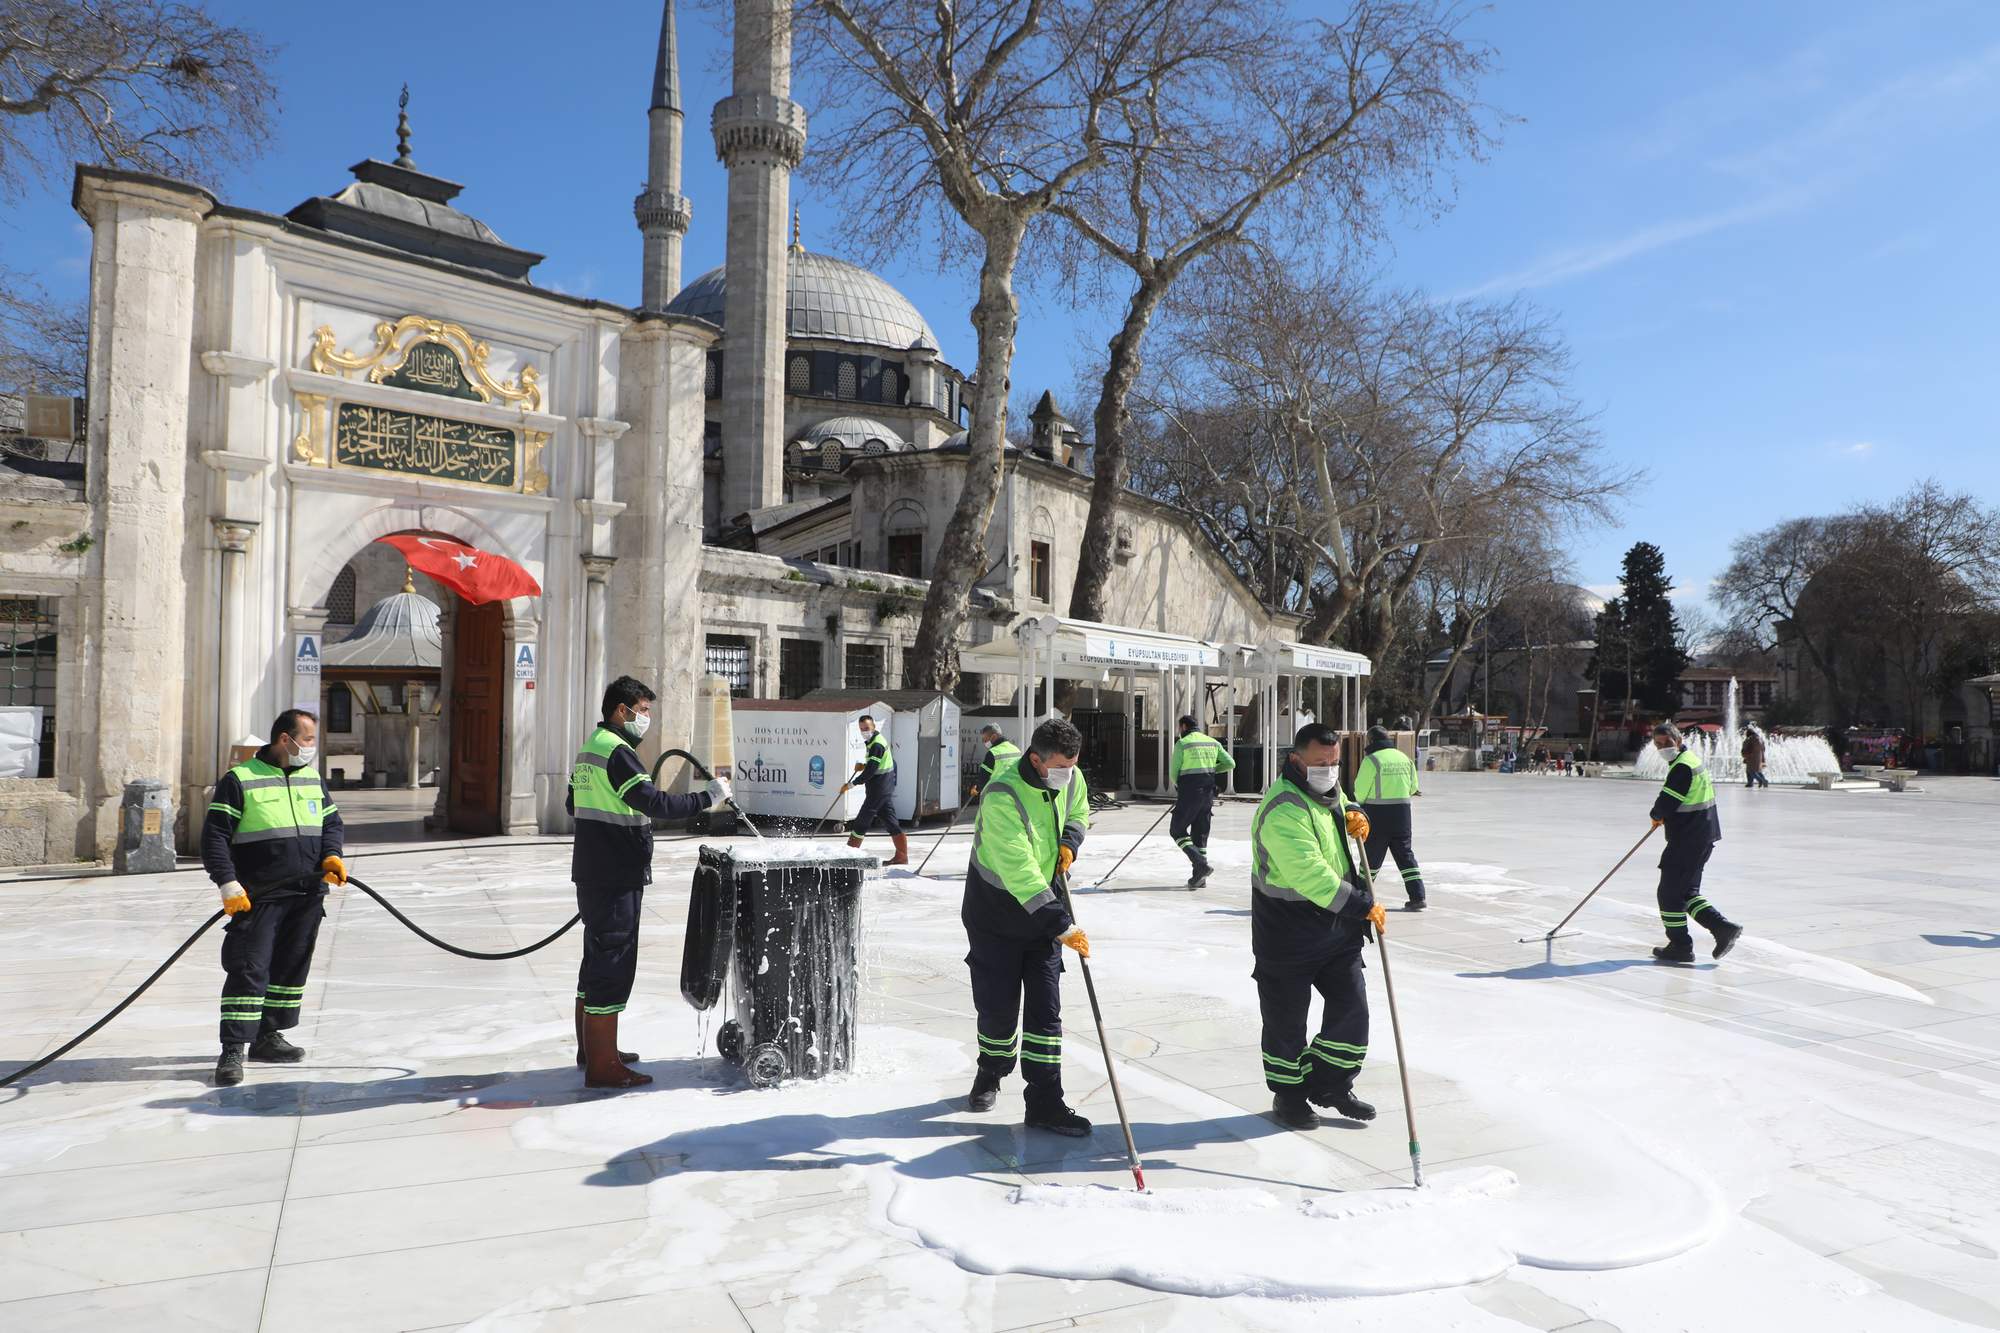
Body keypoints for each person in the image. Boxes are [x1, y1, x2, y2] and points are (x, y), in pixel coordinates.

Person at [568, 675, 732, 1089]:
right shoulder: (618, 752)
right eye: (642, 711)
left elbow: (573, 802)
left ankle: (593, 1049)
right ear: (621, 711)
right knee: (613, 963)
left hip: (593, 870)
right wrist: (707, 797)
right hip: (615, 873)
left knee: (596, 959)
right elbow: (654, 803)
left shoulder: (590, 747)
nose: (646, 719)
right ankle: (604, 1066)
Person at [961, 716, 1094, 1136]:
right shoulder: (1002, 796)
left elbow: (1078, 808)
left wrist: (1070, 843)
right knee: (998, 1011)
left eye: (1072, 767)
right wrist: (1062, 925)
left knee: (1046, 1012)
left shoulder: (1068, 776)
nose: (1067, 775)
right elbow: (1019, 872)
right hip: (996, 915)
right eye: (1058, 767)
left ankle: (1044, 1101)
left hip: (1043, 918)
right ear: (1035, 759)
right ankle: (991, 1071)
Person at [1252, 722, 1386, 1130]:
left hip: (1334, 930)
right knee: (1287, 1022)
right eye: (1319, 763)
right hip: (1286, 931)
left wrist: (1355, 812)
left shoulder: (1325, 791)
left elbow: (1339, 803)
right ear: (1296, 760)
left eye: (1334, 763)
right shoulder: (1282, 809)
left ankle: (1331, 1084)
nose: (1329, 770)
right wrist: (1363, 904)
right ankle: (1289, 1096)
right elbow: (1309, 874)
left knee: (1352, 1007)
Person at [201, 709, 346, 1087]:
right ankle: (233, 1047)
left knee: (289, 969)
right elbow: (215, 835)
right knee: (250, 969)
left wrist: (332, 855)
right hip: (260, 895)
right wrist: (227, 883)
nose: (312, 747)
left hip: (308, 892)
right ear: (286, 739)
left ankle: (268, 1037)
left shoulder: (312, 777)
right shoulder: (240, 779)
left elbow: (331, 822)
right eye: (309, 739)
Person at [1648, 722, 1743, 965]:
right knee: (1686, 892)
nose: (1661, 748)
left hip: (1687, 839)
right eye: (1657, 744)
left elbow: (1667, 801)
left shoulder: (1682, 767)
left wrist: (1657, 815)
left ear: (1677, 740)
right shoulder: (1690, 759)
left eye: (1665, 743)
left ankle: (1683, 945)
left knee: (1669, 894)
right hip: (1702, 836)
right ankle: (1720, 929)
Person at [1354, 725, 1426, 911]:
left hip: (1376, 815)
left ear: (1370, 741)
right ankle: (1418, 896)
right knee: (1405, 855)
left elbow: (1360, 791)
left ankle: (1362, 896)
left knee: (1370, 859)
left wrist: (1361, 803)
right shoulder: (1405, 758)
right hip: (1402, 814)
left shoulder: (1372, 760)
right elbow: (1413, 787)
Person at [1168, 713, 1235, 888]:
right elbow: (1230, 763)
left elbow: (1174, 772)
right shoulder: (1212, 742)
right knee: (1200, 835)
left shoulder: (1183, 743)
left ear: (1183, 727)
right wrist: (1211, 770)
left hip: (1189, 793)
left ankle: (1201, 865)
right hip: (1208, 794)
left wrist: (1179, 786)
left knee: (1177, 830)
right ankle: (1200, 878)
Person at [844, 713, 908, 866]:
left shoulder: (877, 744)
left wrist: (853, 783)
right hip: (883, 786)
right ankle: (901, 856)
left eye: (866, 728)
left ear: (873, 726)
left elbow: (872, 770)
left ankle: (848, 855)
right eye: (861, 729)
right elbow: (875, 765)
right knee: (890, 820)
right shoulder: (873, 742)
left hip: (879, 787)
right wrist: (864, 766)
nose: (864, 731)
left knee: (862, 820)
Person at [969, 724, 1021, 798]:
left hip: (999, 796)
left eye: (985, 740)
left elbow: (983, 777)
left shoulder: (993, 753)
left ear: (993, 737)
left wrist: (976, 788)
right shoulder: (1016, 749)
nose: (984, 742)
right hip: (1015, 794)